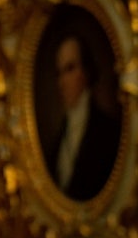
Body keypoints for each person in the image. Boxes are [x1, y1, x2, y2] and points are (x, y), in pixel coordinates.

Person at [43, 34, 121, 201]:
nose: (62, 82)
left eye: (70, 69)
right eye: (59, 73)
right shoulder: (58, 142)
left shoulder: (108, 131)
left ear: (86, 72)